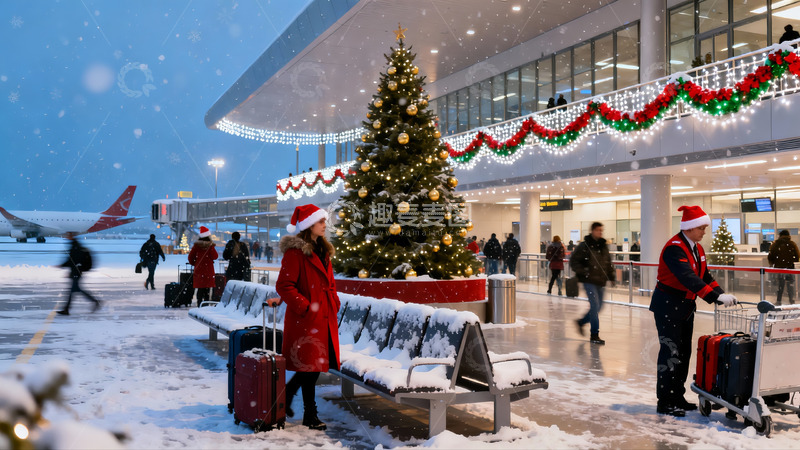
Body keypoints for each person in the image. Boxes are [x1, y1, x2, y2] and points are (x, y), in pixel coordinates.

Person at [651, 206, 737, 417]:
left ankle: (677, 396)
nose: (704, 232)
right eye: (701, 228)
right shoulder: (675, 248)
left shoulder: (697, 248)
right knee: (670, 353)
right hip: (669, 305)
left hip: (686, 307)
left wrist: (721, 294)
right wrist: (714, 297)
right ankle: (665, 400)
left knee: (683, 353)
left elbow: (704, 276)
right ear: (689, 228)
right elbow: (688, 277)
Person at [274, 204, 340, 430]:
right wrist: (304, 307)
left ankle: (291, 397)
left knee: (311, 368)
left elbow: (328, 283)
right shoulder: (296, 253)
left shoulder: (323, 249)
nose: (324, 225)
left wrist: (334, 302)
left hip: (323, 317)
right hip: (306, 320)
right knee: (309, 368)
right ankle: (309, 415)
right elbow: (284, 285)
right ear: (309, 225)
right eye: (321, 221)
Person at [571, 222, 615, 345]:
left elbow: (608, 262)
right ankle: (594, 334)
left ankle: (581, 322)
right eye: (598, 230)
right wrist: (584, 272)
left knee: (599, 306)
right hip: (589, 281)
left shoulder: (603, 246)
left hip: (600, 281)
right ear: (592, 231)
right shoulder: (584, 246)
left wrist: (611, 276)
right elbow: (573, 261)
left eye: (601, 230)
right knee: (595, 307)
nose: (600, 232)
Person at [57, 233, 101, 315]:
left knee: (74, 290)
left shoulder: (75, 246)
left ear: (71, 236)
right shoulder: (75, 245)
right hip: (77, 271)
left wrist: (62, 265)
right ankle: (67, 309)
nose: (66, 237)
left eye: (68, 235)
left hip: (77, 272)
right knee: (75, 290)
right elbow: (73, 260)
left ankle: (95, 301)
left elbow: (72, 261)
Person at [188, 226, 218, 306]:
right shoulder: (210, 246)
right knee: (207, 290)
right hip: (208, 271)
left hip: (199, 270)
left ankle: (199, 304)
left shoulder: (196, 246)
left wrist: (195, 264)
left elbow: (190, 257)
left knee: (200, 289)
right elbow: (215, 256)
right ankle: (206, 305)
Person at [768, 229, 799, 305]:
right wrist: (791, 260)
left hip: (779, 267)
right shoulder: (792, 244)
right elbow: (797, 256)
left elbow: (771, 256)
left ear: (780, 236)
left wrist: (773, 263)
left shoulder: (776, 244)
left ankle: (779, 300)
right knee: (790, 284)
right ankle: (791, 300)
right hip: (790, 267)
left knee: (780, 285)